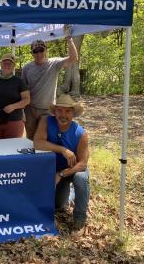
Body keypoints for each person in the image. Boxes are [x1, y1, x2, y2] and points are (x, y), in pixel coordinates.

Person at [33, 94, 89, 230]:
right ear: (55, 111)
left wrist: (62, 174)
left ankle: (80, 219)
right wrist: (63, 150)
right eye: (59, 110)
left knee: (81, 179)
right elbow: (37, 143)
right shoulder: (46, 121)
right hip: (52, 170)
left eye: (67, 111)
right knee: (59, 205)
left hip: (71, 170)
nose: (63, 114)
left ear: (73, 113)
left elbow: (82, 164)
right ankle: (68, 194)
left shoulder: (81, 134)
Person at [22, 25, 78, 140]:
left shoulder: (54, 63)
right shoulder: (26, 68)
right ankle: (32, 158)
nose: (38, 54)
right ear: (32, 53)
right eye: (35, 51)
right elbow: (23, 90)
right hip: (30, 109)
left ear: (45, 50)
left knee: (47, 138)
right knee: (30, 139)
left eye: (41, 50)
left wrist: (68, 38)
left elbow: (73, 58)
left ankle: (47, 158)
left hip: (48, 110)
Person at [0, 54, 30, 139]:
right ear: (0, 64)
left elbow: (27, 100)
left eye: (9, 63)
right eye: (5, 63)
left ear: (13, 66)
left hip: (14, 121)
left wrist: (13, 106)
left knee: (13, 148)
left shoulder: (19, 81)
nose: (7, 65)